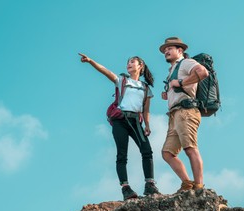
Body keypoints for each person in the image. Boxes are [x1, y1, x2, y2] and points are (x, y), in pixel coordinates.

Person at [79, 53, 160, 200]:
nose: (129, 64)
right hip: (120, 121)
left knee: (147, 151)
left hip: (135, 121)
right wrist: (91, 61)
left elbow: (146, 110)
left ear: (140, 66)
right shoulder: (122, 80)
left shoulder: (145, 88)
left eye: (132, 62)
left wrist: (147, 125)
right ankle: (126, 188)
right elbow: (105, 71)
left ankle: (150, 185)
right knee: (122, 154)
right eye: (127, 62)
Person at [159, 37, 209, 192]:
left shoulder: (186, 63)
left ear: (180, 50)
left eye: (169, 48)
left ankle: (199, 186)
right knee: (167, 153)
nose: (166, 51)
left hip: (186, 111)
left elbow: (203, 72)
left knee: (190, 148)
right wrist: (169, 92)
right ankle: (187, 184)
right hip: (175, 114)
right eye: (165, 50)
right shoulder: (172, 70)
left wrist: (180, 83)